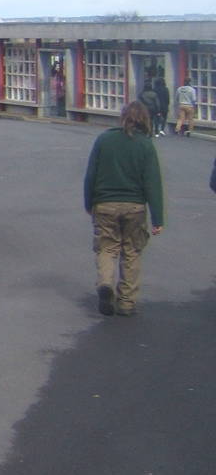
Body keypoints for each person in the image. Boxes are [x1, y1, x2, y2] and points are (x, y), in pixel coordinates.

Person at [83, 100, 165, 317]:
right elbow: (152, 183)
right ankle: (127, 302)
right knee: (131, 251)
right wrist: (158, 219)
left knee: (107, 248)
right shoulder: (146, 145)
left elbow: (90, 174)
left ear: (123, 117)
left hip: (105, 204)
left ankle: (105, 283)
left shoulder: (104, 139)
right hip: (135, 207)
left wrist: (89, 202)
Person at [151, 68, 171, 137]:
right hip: (164, 105)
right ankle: (162, 129)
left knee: (156, 119)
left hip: (156, 106)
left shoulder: (154, 89)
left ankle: (156, 132)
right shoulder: (166, 89)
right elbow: (168, 98)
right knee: (164, 118)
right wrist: (168, 104)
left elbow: (153, 98)